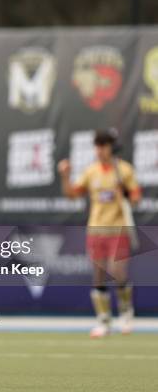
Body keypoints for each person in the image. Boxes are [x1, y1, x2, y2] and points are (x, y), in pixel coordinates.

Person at [58, 129, 141, 338]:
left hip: (118, 228)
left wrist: (124, 193)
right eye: (97, 145)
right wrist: (65, 176)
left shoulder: (124, 170)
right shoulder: (91, 171)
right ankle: (103, 321)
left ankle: (126, 315)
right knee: (99, 275)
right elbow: (72, 194)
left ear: (112, 147)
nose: (100, 150)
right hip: (96, 229)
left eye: (104, 145)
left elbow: (136, 198)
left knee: (118, 271)